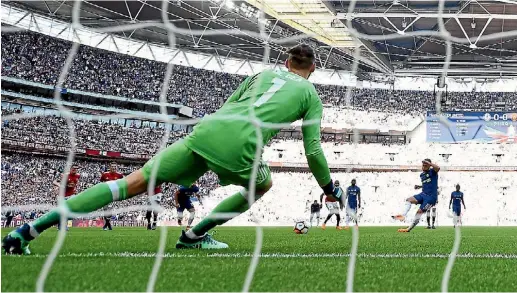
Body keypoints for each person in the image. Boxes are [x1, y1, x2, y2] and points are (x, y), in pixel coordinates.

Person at [2, 44, 341, 254]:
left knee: (129, 184)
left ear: (285, 62)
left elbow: (227, 108)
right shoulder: (311, 95)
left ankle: (27, 231)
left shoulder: (260, 75)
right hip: (241, 143)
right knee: (262, 185)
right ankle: (194, 235)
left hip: (206, 131)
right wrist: (328, 189)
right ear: (312, 69)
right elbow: (312, 150)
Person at [392, 159, 440, 233]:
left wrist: (430, 163)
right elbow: (428, 184)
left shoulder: (433, 172)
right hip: (423, 194)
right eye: (423, 165)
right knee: (409, 200)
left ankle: (408, 229)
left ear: (429, 166)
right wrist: (420, 186)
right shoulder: (422, 175)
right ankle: (403, 215)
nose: (423, 166)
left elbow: (438, 168)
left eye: (425, 165)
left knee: (419, 212)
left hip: (431, 198)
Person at [52, 165, 80, 231]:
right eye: (73, 168)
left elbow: (74, 183)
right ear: (70, 169)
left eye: (76, 169)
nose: (75, 170)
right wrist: (60, 185)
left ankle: (65, 226)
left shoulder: (78, 176)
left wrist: (74, 189)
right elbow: (54, 181)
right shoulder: (65, 175)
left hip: (71, 195)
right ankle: (60, 226)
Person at [100, 162, 124, 231]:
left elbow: (122, 183)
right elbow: (101, 182)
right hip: (105, 194)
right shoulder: (105, 174)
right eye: (112, 166)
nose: (114, 168)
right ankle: (108, 225)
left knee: (110, 211)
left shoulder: (119, 175)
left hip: (114, 195)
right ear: (110, 167)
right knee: (105, 211)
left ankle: (107, 225)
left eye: (115, 166)